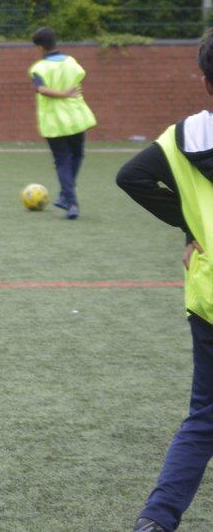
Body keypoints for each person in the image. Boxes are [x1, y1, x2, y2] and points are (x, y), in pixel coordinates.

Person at [116, 34, 213, 532]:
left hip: (209, 296)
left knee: (203, 417)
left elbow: (130, 176)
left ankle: (157, 519)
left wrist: (192, 227)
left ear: (204, 79)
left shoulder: (182, 136)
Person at [29, 26, 96, 220]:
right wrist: (68, 93)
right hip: (76, 118)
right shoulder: (72, 62)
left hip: (54, 122)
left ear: (40, 47)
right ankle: (67, 196)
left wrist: (62, 94)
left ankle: (70, 200)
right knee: (77, 155)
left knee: (62, 160)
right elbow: (80, 76)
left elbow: (41, 89)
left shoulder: (39, 68)